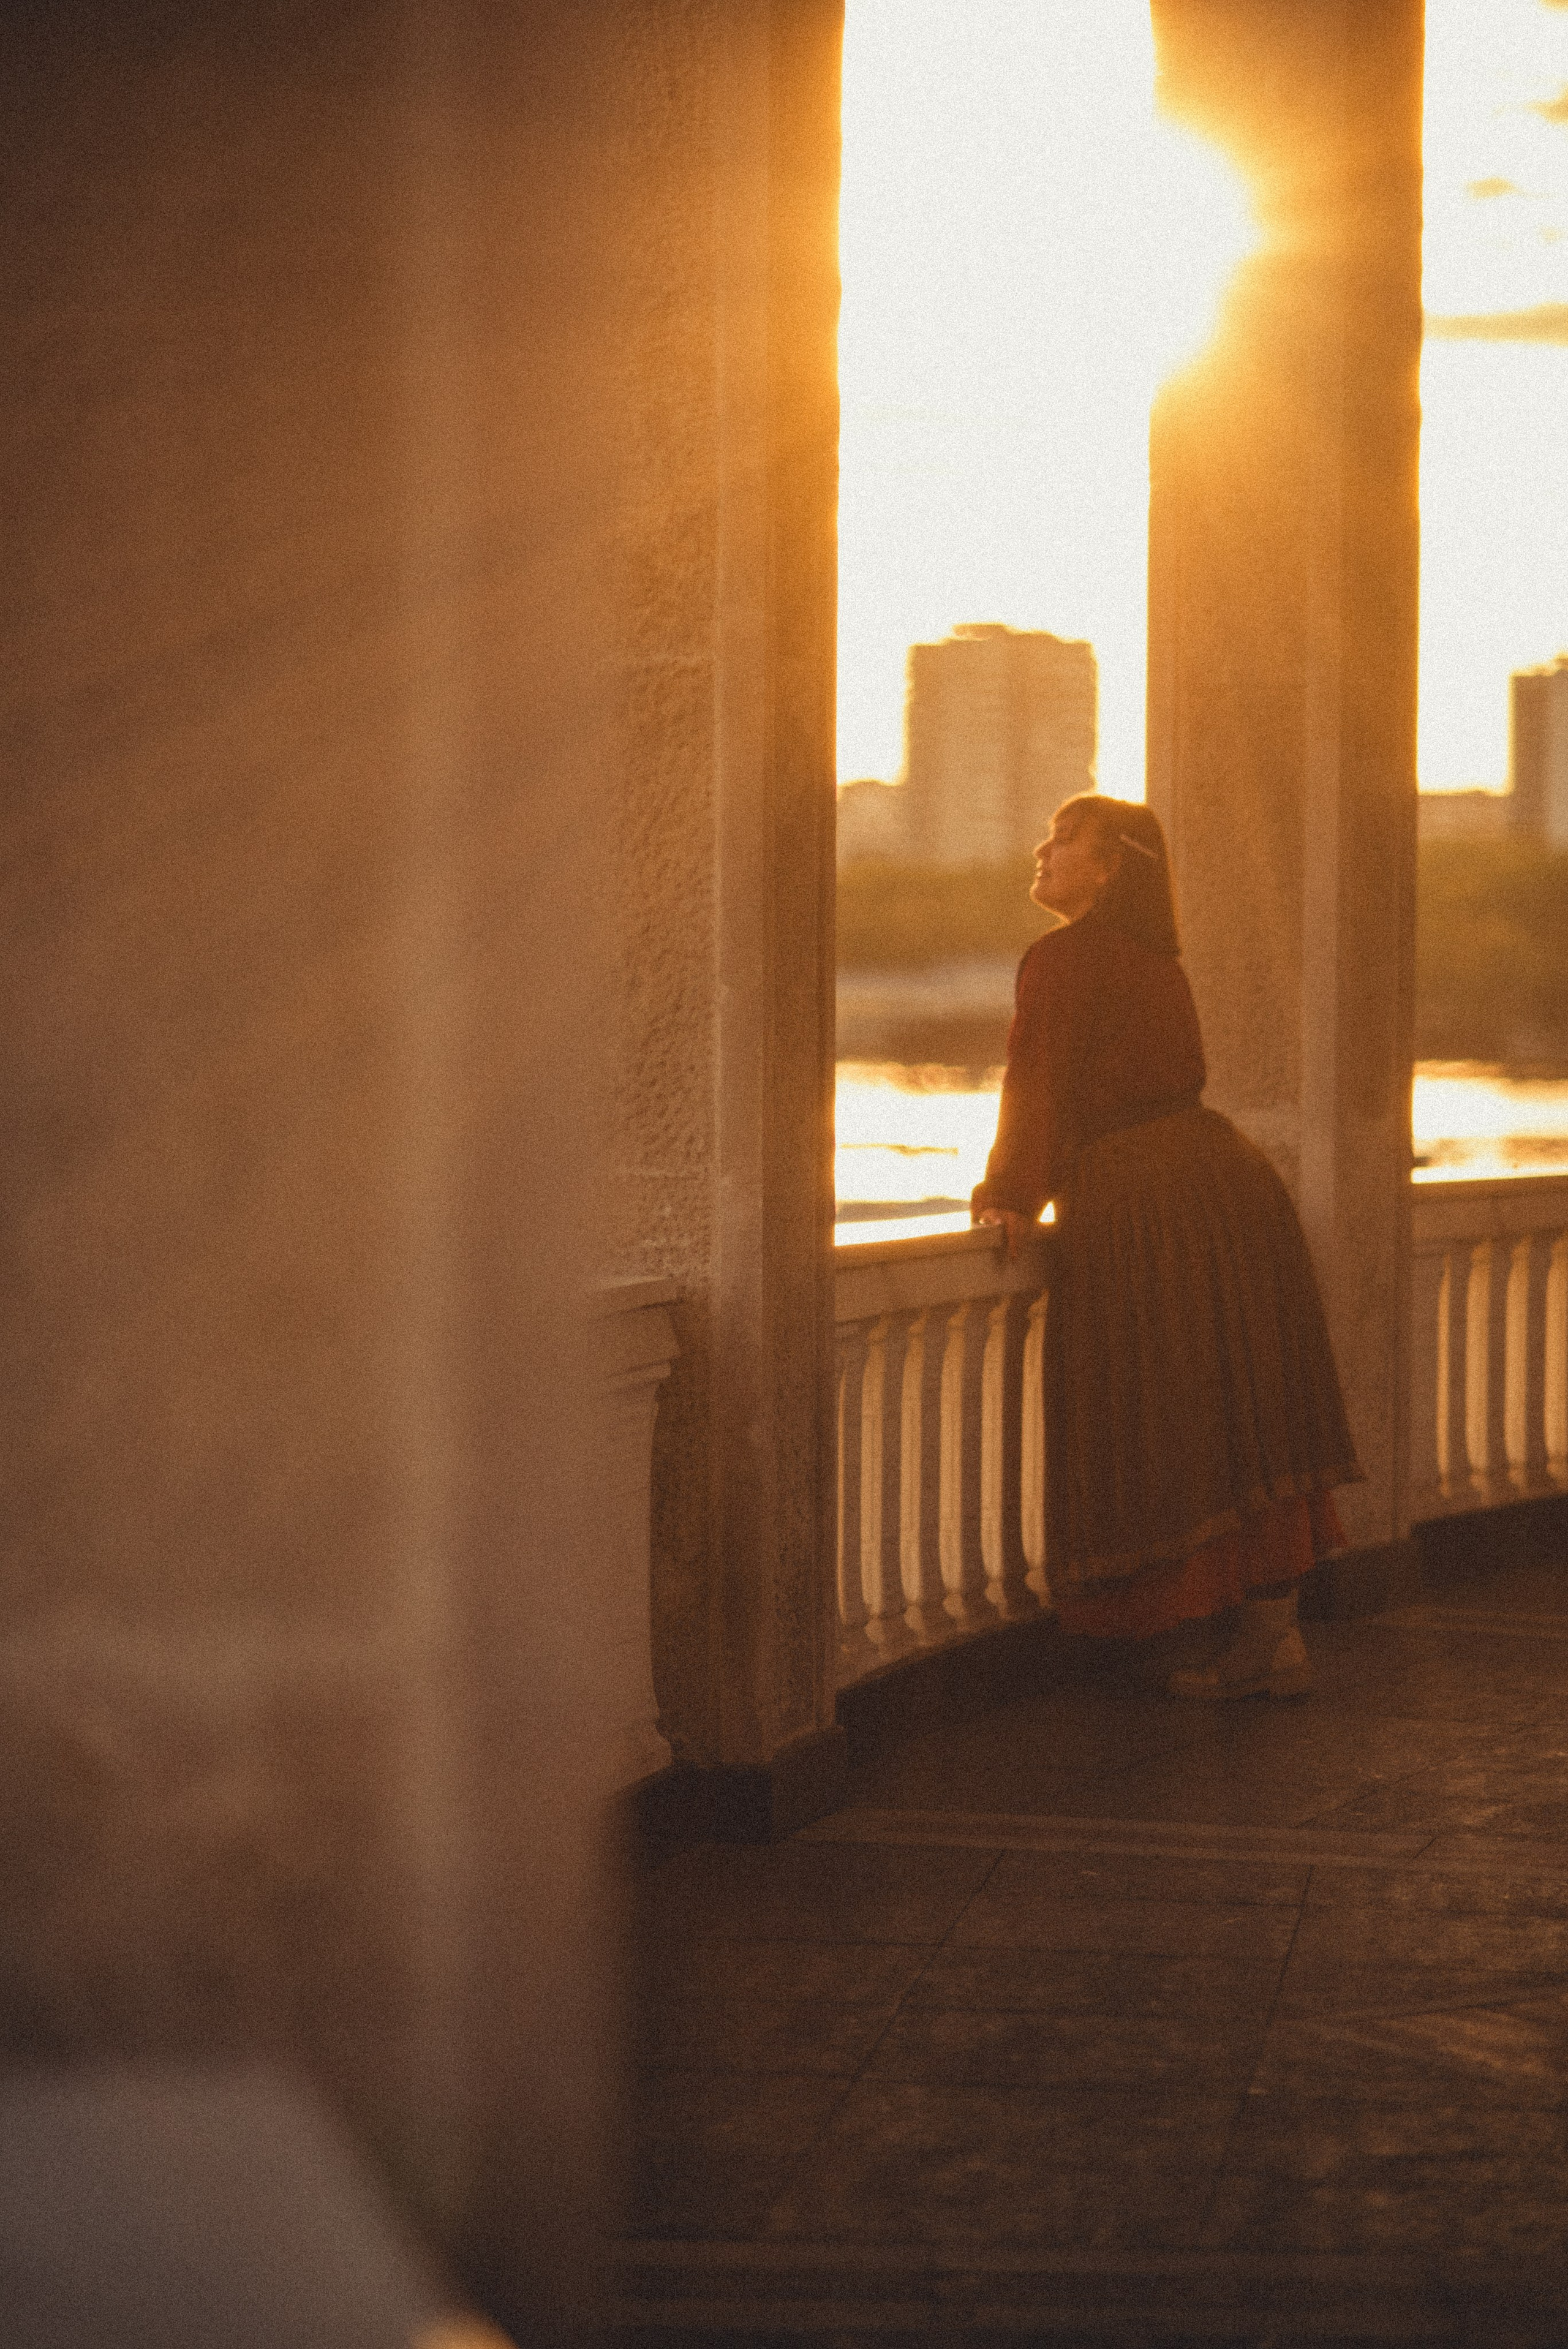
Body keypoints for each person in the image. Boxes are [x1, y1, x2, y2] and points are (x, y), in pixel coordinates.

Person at [972, 793, 1361, 1698]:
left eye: (1066, 839)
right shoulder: (1157, 961)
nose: (1044, 847)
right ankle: (1276, 1638)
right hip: (1225, 1182)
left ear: (1109, 871)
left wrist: (1010, 1193)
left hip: (1145, 1198)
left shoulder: (1064, 960)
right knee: (1242, 1407)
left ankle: (1254, 1644)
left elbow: (1039, 1083)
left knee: (1165, 1406)